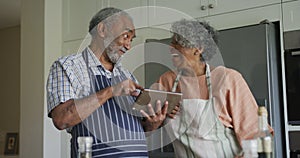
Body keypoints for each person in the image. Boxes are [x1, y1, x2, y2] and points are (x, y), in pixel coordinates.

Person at [47, 7, 172, 158]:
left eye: (131, 40)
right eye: (125, 36)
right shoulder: (68, 66)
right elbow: (62, 120)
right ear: (102, 30)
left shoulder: (127, 75)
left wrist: (154, 123)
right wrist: (111, 91)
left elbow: (140, 128)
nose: (128, 46)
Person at [156, 19, 274, 157]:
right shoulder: (166, 81)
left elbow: (255, 133)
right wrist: (158, 116)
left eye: (177, 43)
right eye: (172, 42)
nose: (171, 47)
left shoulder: (228, 79)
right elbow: (147, 125)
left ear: (198, 48)